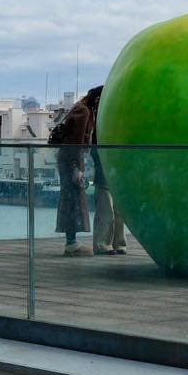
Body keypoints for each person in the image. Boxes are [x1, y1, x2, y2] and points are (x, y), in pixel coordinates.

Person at [55, 87, 101, 255]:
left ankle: (71, 242)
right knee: (73, 199)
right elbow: (76, 142)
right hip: (71, 159)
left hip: (66, 158)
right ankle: (71, 244)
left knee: (70, 198)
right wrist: (76, 169)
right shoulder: (84, 112)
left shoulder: (79, 108)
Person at [91, 109, 126, 255]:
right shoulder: (113, 122)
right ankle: (112, 243)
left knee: (109, 210)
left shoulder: (99, 122)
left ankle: (107, 243)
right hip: (114, 171)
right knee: (112, 210)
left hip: (108, 171)